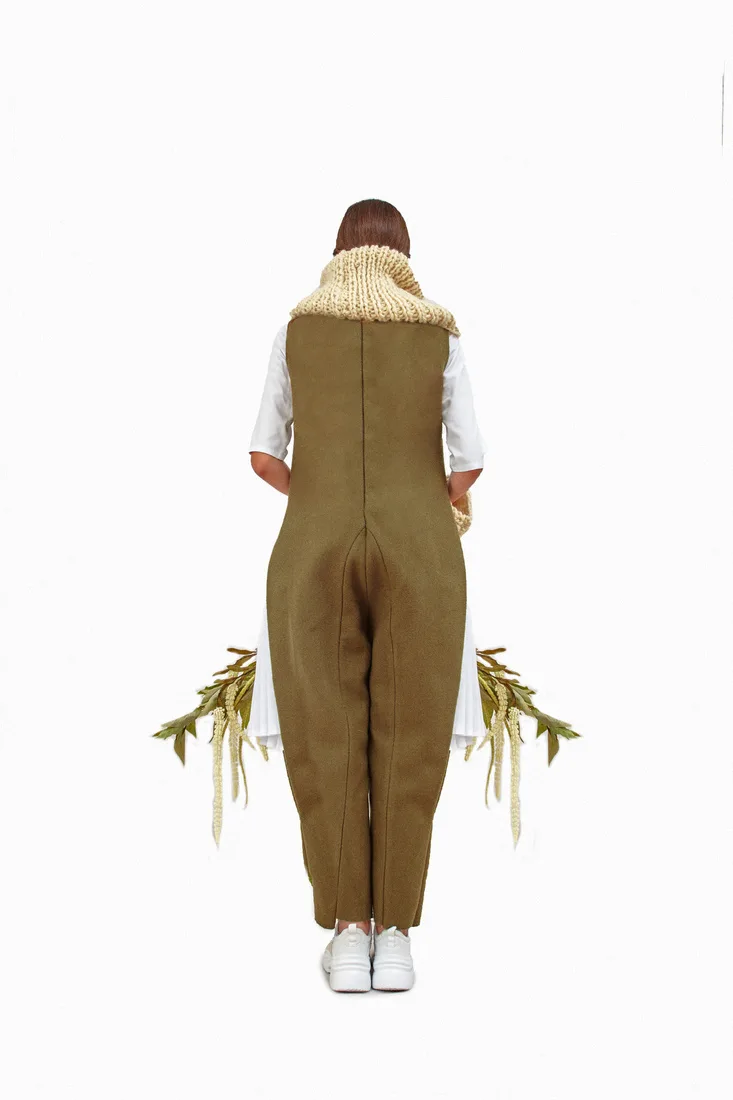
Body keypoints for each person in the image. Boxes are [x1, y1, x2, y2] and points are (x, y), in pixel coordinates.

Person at [247, 199, 485, 992]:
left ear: (338, 249)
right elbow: (467, 463)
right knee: (411, 737)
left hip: (311, 546)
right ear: (403, 254)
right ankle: (398, 939)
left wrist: (321, 499)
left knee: (325, 732)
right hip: (421, 548)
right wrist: (420, 507)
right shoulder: (438, 333)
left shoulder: (296, 330)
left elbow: (263, 455)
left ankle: (349, 936)